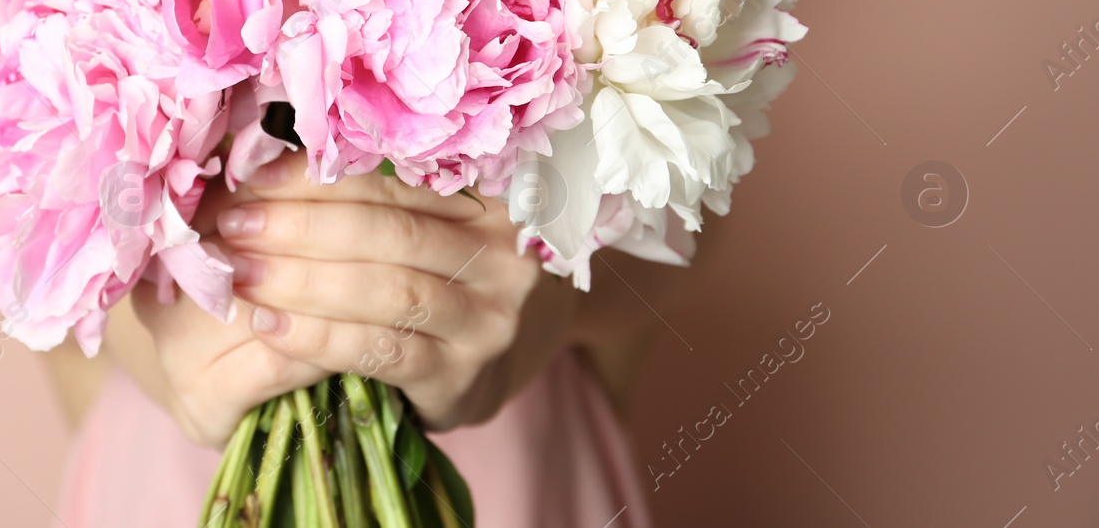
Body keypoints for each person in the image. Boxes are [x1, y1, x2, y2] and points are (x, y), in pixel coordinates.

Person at [42, 149, 712, 526]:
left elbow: (699, 196)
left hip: (519, 434)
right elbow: (3, 174)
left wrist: (558, 282)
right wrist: (151, 330)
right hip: (167, 449)